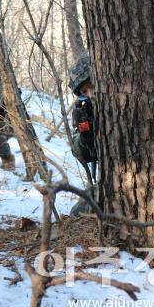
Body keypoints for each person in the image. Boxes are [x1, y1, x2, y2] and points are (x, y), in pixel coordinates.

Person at [68, 55, 97, 215]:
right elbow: (79, 153)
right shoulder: (83, 110)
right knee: (78, 213)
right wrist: (86, 138)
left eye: (92, 86)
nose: (90, 94)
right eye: (85, 91)